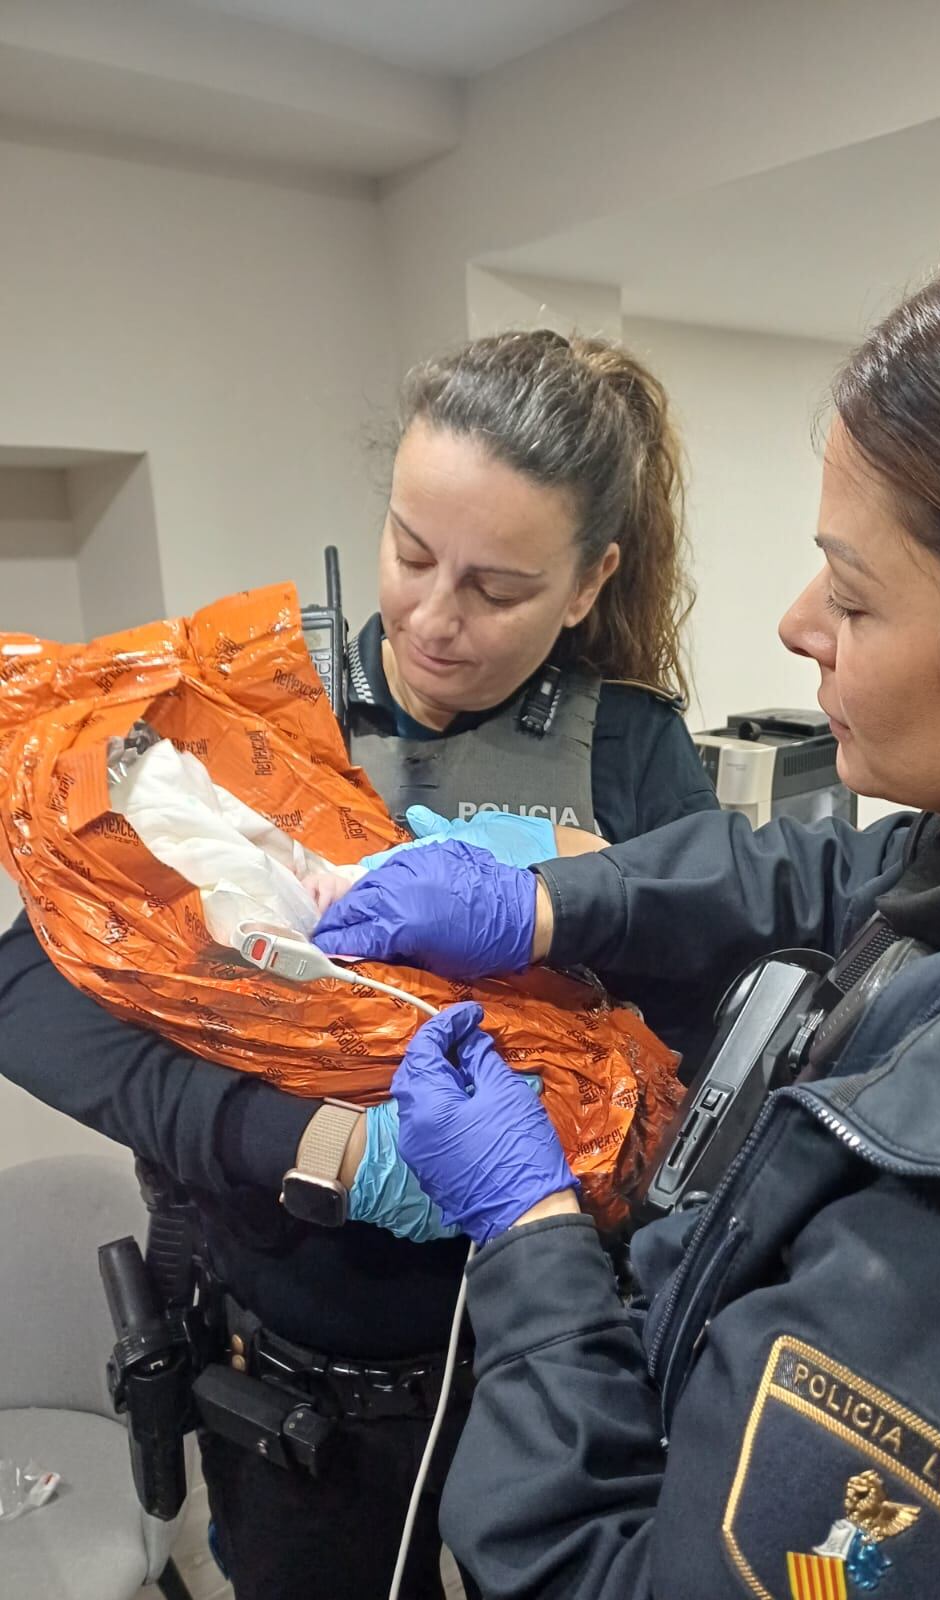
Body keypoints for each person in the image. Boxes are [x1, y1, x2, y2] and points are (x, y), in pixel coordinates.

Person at [311, 207, 940, 1598]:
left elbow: (606, 1576)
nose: (794, 627)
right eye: (412, 556)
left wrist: (531, 1236)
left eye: (851, 594)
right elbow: (835, 876)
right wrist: (549, 908)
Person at [0, 330, 716, 1600]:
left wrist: (586, 909)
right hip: (291, 1383)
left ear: (590, 581)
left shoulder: (638, 758)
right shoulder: (253, 716)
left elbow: (688, 1085)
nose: (435, 621)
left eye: (498, 589)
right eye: (411, 553)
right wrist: (306, 1142)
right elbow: (32, 997)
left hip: (538, 1365)